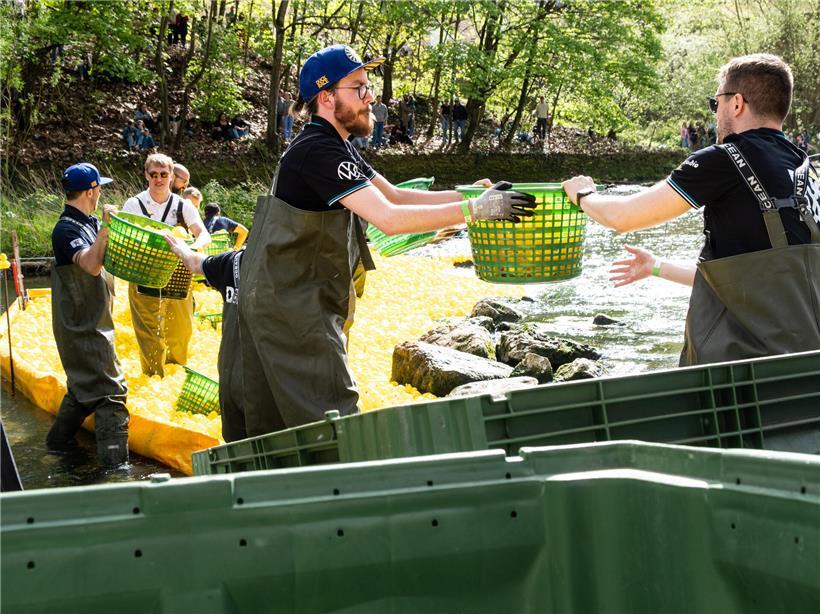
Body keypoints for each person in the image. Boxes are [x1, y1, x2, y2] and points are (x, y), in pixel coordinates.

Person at [238, 44, 536, 437]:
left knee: (294, 422)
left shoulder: (336, 144)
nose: (371, 97)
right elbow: (390, 219)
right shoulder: (316, 150)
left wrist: (466, 196)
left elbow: (394, 194)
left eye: (368, 87)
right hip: (290, 309)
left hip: (299, 299)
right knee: (334, 420)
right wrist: (477, 210)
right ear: (326, 97)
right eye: (359, 88)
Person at [562, 53, 820, 366]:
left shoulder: (724, 159)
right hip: (806, 367)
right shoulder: (807, 170)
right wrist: (657, 266)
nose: (715, 114)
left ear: (736, 103)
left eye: (717, 103)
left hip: (745, 371)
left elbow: (622, 217)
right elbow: (761, 278)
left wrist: (583, 195)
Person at [47, 163, 129, 466]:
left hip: (93, 319)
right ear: (91, 190)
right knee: (111, 393)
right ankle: (117, 470)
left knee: (83, 390)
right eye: (99, 188)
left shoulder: (88, 221)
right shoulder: (66, 228)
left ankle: (56, 447)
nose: (101, 193)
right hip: (82, 325)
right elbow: (91, 265)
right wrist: (106, 227)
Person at [122, 153, 211, 376]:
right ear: (146, 175)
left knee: (181, 329)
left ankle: (175, 372)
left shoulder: (183, 206)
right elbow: (124, 238)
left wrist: (192, 249)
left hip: (179, 276)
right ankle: (153, 376)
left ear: (172, 176)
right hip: (144, 275)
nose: (158, 179)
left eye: (163, 174)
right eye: (153, 174)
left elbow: (204, 235)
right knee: (149, 330)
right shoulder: (134, 204)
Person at [163, 237, 246, 442]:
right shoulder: (299, 268)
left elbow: (194, 262)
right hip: (275, 381)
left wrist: (181, 248)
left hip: (234, 376)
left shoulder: (234, 261)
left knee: (238, 442)